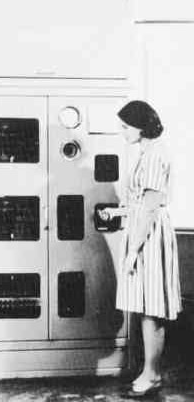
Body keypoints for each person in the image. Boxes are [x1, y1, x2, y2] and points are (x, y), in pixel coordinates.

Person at [98, 100, 182, 398]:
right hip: (142, 230)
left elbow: (149, 208)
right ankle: (149, 370)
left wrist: (133, 249)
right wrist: (117, 214)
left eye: (125, 126)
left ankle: (153, 373)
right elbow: (139, 204)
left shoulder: (155, 154)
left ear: (141, 125)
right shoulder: (146, 153)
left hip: (149, 237)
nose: (122, 132)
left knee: (152, 309)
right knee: (145, 307)